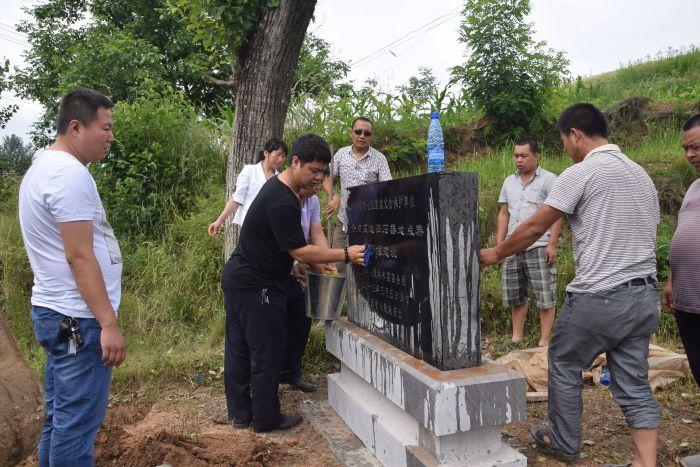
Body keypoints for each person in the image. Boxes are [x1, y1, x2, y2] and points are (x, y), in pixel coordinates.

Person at [481, 103, 661, 465]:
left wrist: (496, 253)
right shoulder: (640, 174)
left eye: (564, 140)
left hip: (600, 294)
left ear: (575, 134)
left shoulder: (582, 172)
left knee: (563, 360)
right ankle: (646, 461)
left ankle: (563, 442)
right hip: (644, 296)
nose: (565, 148)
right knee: (634, 382)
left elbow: (536, 225)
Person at [222, 134, 365, 432]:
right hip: (257, 285)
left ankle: (240, 414)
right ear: (295, 162)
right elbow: (300, 250)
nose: (318, 178)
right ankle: (265, 418)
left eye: (323, 172)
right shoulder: (282, 200)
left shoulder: (283, 191)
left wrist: (304, 265)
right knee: (266, 351)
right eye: (313, 170)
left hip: (241, 278)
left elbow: (288, 248)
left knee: (239, 349)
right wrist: (345, 254)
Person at [18, 88, 126, 466]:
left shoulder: (44, 167)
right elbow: (79, 257)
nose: (111, 137)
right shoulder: (68, 174)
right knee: (76, 425)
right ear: (76, 127)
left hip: (60, 313)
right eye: (106, 128)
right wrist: (108, 323)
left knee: (60, 419)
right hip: (78, 319)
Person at [497, 137, 561, 349]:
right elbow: (504, 213)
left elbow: (556, 214)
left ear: (536, 156)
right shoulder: (509, 181)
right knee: (515, 295)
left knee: (545, 295)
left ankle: (544, 342)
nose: (519, 160)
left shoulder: (549, 180)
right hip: (512, 246)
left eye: (524, 156)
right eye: (516, 156)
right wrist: (500, 246)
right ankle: (516, 339)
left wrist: (552, 244)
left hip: (539, 245)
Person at [662, 112, 700, 467]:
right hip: (688, 303)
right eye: (686, 148)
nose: (690, 154)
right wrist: (672, 282)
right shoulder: (693, 188)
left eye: (697, 146)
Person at [280, 183, 333, 393]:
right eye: (313, 179)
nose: (317, 186)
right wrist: (296, 263)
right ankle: (266, 374)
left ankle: (290, 371)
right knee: (275, 324)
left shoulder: (313, 201)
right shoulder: (284, 199)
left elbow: (317, 234)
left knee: (302, 318)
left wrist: (326, 262)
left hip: (295, 270)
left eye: (320, 181)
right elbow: (285, 240)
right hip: (275, 270)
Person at [324, 117, 392, 272]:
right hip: (344, 222)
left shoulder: (379, 159)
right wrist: (334, 196)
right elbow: (326, 178)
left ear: (371, 137)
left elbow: (388, 188)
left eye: (367, 133)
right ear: (351, 133)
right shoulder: (341, 154)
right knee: (337, 268)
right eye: (358, 132)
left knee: (365, 269)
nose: (362, 136)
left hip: (369, 226)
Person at [208, 138, 287, 236]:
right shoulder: (250, 171)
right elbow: (237, 199)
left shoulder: (280, 178)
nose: (280, 159)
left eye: (283, 156)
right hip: (250, 226)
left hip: (270, 229)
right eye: (278, 154)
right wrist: (219, 220)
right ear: (266, 153)